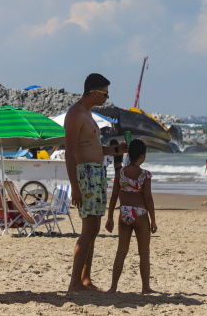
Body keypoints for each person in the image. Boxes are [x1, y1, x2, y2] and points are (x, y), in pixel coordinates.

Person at [64, 73, 126, 293]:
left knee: (94, 229)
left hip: (97, 173)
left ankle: (85, 279)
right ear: (93, 92)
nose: (106, 99)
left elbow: (96, 150)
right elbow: (69, 153)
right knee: (88, 229)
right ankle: (74, 283)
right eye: (105, 94)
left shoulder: (89, 115)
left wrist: (118, 150)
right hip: (86, 174)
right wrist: (75, 186)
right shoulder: (75, 114)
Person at [105, 139, 158, 294]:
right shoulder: (145, 175)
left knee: (121, 251)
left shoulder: (120, 173)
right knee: (144, 253)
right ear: (142, 156)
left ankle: (113, 287)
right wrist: (153, 220)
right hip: (140, 214)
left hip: (124, 213)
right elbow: (148, 199)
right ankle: (145, 288)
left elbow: (114, 196)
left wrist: (109, 217)